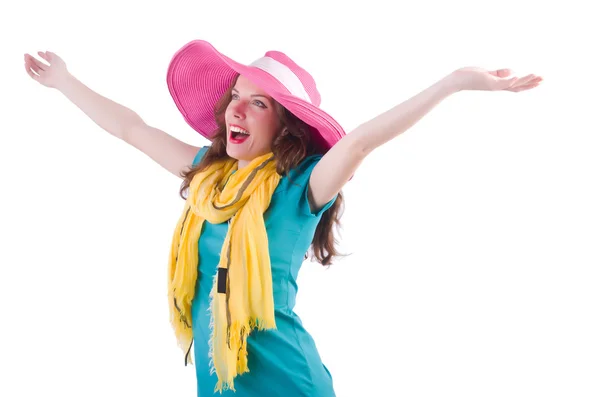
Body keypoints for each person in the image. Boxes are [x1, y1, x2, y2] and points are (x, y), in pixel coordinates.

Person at [24, 39, 542, 396]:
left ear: (285, 126)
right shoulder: (207, 177)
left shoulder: (303, 187)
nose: (236, 111)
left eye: (258, 104)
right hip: (220, 380)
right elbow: (131, 129)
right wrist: (65, 81)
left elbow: (360, 141)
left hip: (289, 382)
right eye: (235, 99)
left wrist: (452, 82)